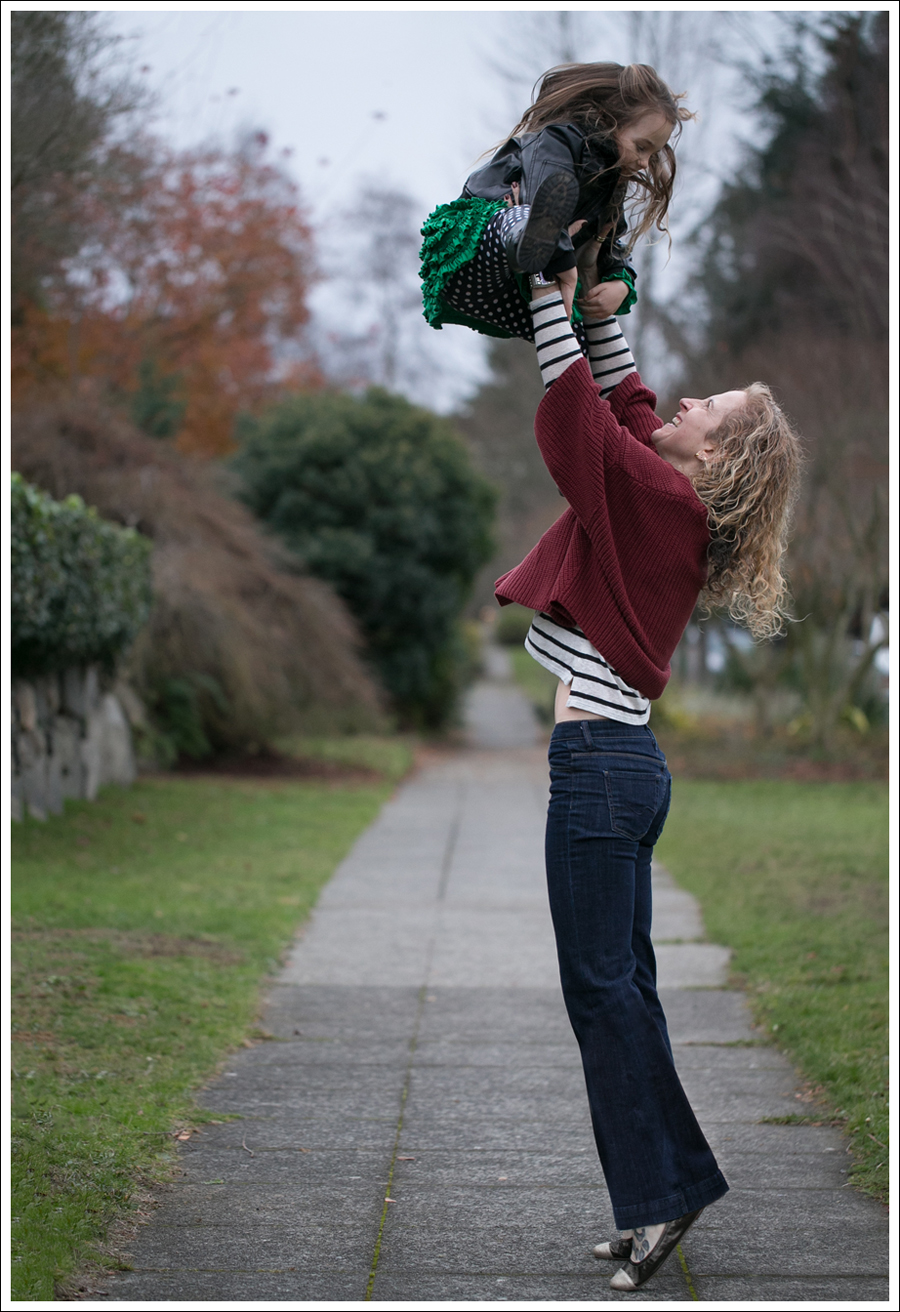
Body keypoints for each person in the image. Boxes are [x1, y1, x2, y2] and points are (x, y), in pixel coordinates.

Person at [494, 242, 803, 1292]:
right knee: (622, 992)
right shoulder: (661, 501)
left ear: (714, 462)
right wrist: (607, 307)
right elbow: (625, 405)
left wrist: (548, 295)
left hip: (600, 772)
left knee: (603, 995)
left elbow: (584, 417)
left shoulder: (662, 507)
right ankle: (661, 1192)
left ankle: (662, 1198)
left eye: (704, 410)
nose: (681, 402)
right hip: (619, 767)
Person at [420, 62, 693, 346]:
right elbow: (544, 201)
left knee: (583, 333)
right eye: (641, 147)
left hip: (518, 288)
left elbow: (612, 240)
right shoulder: (559, 139)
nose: (644, 163)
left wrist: (620, 282)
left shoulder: (611, 180)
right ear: (608, 119)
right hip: (474, 254)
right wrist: (561, 253)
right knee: (522, 214)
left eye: (652, 154)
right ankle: (526, 242)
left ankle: (599, 390)